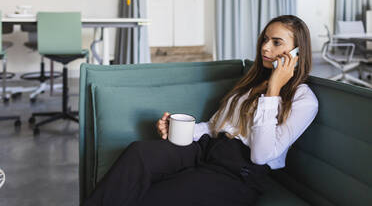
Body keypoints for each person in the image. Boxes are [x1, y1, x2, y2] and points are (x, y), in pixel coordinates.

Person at [83, 15, 319, 206]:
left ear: (297, 53)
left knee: (154, 197)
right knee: (139, 154)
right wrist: (175, 130)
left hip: (240, 172)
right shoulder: (252, 81)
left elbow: (260, 155)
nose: (265, 47)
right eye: (265, 39)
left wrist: (274, 91)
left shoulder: (303, 99)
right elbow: (215, 126)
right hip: (207, 149)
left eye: (276, 42)